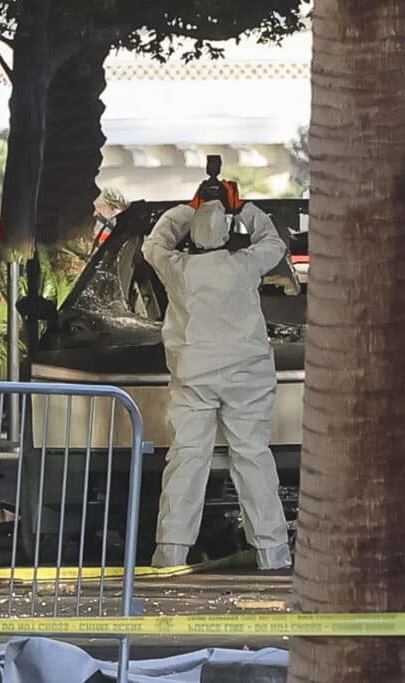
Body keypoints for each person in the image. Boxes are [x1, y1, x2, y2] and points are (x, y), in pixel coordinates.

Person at [141, 193, 291, 571]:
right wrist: (244, 209)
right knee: (253, 459)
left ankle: (170, 553)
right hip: (248, 378)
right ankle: (273, 555)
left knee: (187, 460)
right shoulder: (244, 264)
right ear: (227, 234)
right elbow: (274, 242)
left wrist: (187, 210)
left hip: (193, 377)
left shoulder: (177, 268)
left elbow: (153, 243)